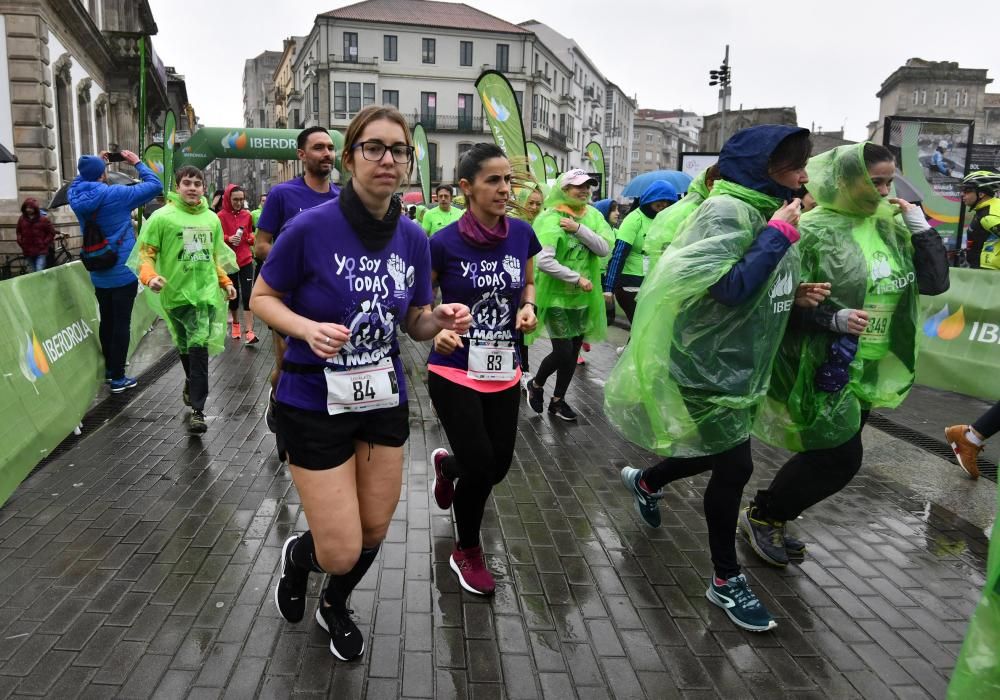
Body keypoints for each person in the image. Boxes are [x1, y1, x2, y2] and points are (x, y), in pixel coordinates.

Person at [252, 105, 471, 661]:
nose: (388, 159)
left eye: (399, 150)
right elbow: (261, 298)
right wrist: (306, 328)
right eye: (374, 148)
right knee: (342, 546)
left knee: (373, 531)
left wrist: (438, 320)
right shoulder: (310, 227)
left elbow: (415, 320)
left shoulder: (414, 238)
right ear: (350, 159)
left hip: (381, 399)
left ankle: (335, 604)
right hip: (311, 401)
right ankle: (301, 558)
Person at [606, 125, 817, 632]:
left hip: (736, 367)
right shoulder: (727, 212)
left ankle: (649, 481)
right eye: (793, 166)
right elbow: (727, 287)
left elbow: (754, 284)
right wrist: (778, 236)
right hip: (703, 366)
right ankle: (725, 580)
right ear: (763, 170)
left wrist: (796, 291)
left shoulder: (759, 211)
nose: (804, 177)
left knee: (717, 452)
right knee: (735, 467)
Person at [746, 143, 950, 565]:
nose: (883, 189)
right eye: (874, 181)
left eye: (889, 180)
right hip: (825, 362)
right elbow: (779, 301)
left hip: (871, 365)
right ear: (845, 181)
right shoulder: (814, 229)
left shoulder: (891, 227)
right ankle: (765, 514)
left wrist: (921, 228)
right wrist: (831, 320)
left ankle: (772, 513)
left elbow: (932, 284)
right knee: (839, 458)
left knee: (829, 451)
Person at [426, 143, 540, 594]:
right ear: (466, 188)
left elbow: (528, 280)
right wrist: (435, 327)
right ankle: (466, 549)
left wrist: (528, 307)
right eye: (493, 180)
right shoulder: (442, 243)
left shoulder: (522, 234)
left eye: (507, 180)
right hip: (453, 368)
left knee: (497, 467)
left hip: (502, 367)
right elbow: (419, 301)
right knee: (481, 461)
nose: (504, 189)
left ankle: (448, 469)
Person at [131, 166, 238, 433]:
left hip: (204, 295)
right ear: (177, 187)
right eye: (187, 183)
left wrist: (225, 282)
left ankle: (198, 410)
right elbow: (146, 254)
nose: (192, 188)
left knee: (199, 344)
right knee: (183, 344)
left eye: (197, 183)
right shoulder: (161, 217)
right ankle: (191, 381)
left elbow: (212, 257)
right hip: (174, 294)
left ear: (204, 188)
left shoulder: (211, 219)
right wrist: (149, 277)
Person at [254, 126, 341, 451]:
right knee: (287, 366)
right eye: (318, 148)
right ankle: (279, 401)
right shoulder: (282, 195)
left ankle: (320, 426)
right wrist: (297, 260)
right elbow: (260, 245)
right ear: (302, 155)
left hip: (328, 304)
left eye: (330, 148)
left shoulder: (343, 199)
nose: (327, 154)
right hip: (287, 301)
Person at [68, 150, 162, 393]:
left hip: (97, 269)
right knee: (121, 323)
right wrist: (137, 163)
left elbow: (80, 180)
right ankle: (119, 377)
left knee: (107, 320)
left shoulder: (74, 195)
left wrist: (97, 166)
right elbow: (155, 185)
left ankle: (110, 370)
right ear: (103, 173)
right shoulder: (117, 194)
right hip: (121, 269)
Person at [525, 169, 612, 421]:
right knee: (562, 351)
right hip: (556, 297)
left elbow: (604, 248)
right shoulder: (549, 218)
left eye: (588, 186)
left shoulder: (593, 216)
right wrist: (577, 278)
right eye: (578, 186)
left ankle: (558, 400)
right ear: (564, 190)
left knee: (573, 352)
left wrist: (578, 230)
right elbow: (544, 262)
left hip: (583, 299)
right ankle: (537, 384)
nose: (584, 190)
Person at [603, 181, 678, 323]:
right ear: (650, 200)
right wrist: (609, 287)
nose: (662, 208)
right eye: (658, 205)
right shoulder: (635, 219)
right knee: (641, 326)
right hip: (630, 283)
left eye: (666, 205)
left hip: (654, 281)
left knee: (647, 331)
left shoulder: (668, 220)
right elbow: (619, 254)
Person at [645, 164, 720, 270]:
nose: (664, 205)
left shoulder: (704, 209)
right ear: (710, 184)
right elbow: (664, 250)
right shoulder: (690, 211)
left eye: (667, 202)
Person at [217, 184, 258, 344]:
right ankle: (235, 323)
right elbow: (217, 238)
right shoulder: (220, 216)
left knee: (248, 295)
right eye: (235, 200)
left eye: (241, 200)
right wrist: (228, 238)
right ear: (228, 199)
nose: (239, 203)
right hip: (229, 261)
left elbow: (250, 235)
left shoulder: (247, 215)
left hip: (246, 259)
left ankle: (249, 331)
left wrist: (249, 239)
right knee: (234, 296)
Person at [959, 171, 1000, 270]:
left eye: (967, 191)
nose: (962, 194)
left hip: (991, 276)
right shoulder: (986, 209)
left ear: (981, 194)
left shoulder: (988, 216)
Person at [16, 198, 57, 272]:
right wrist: (21, 242)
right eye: (27, 207)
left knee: (39, 271)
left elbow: (51, 232)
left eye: (30, 208)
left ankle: (41, 283)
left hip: (41, 251)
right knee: (32, 272)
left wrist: (44, 243)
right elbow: (18, 232)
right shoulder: (21, 219)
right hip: (27, 250)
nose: (28, 209)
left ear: (35, 208)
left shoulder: (43, 219)